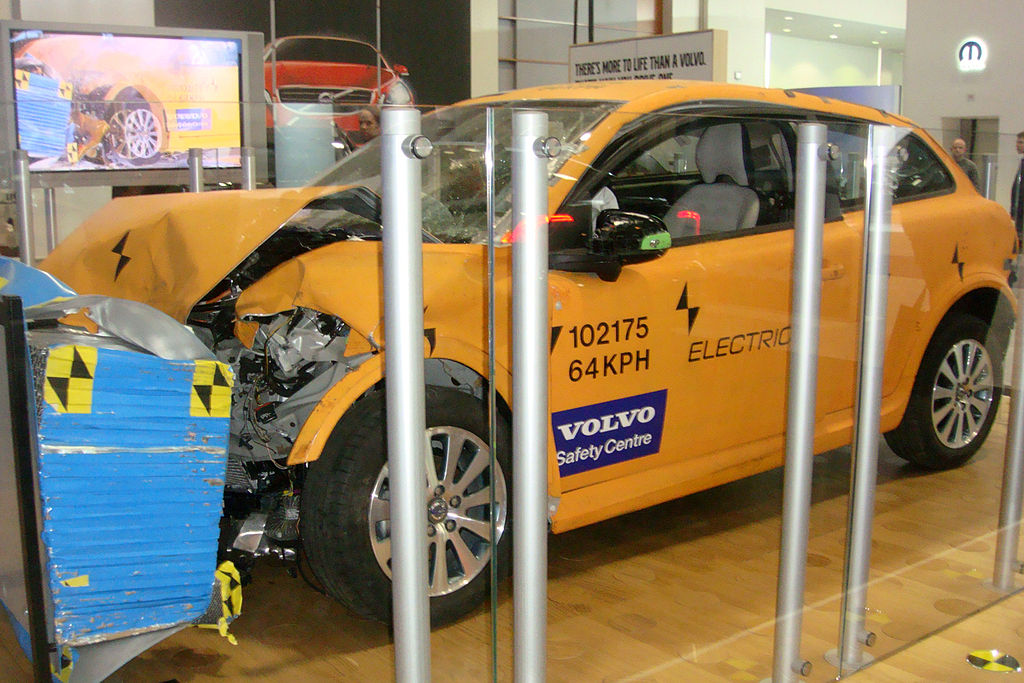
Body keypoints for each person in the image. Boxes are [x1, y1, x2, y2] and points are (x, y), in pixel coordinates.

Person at [1011, 131, 1024, 243]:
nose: (1017, 145)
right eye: (1017, 142)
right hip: (1019, 209)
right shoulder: (1022, 162)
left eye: (1020, 142)